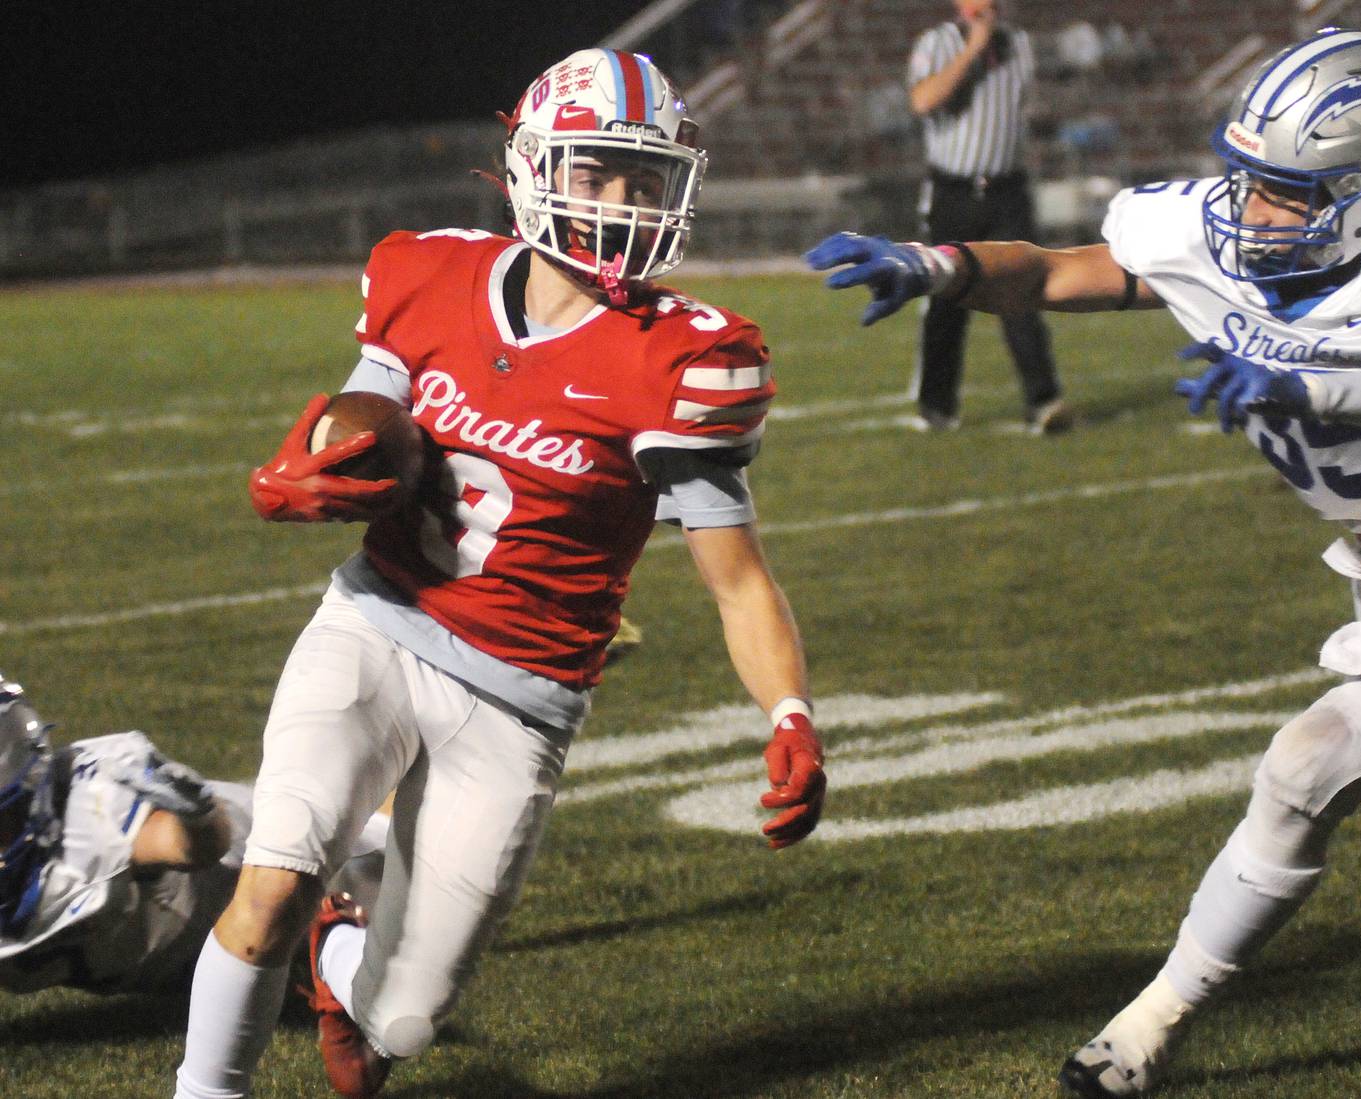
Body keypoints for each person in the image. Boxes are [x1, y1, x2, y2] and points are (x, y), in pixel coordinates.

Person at [173, 47, 826, 1099]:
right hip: (377, 625)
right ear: (532, 167)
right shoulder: (427, 275)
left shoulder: (683, 360)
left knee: (406, 1019)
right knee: (270, 883)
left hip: (521, 698)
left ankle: (342, 963)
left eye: (645, 180)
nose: (622, 202)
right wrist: (304, 478)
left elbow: (739, 580)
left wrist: (790, 711)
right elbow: (360, 433)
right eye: (597, 172)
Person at [808, 27, 1361, 1097]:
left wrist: (1312, 389)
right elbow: (1063, 270)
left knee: (1300, 769)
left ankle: (1143, 1030)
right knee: (1305, 777)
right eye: (1249, 182)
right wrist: (941, 265)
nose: (1250, 211)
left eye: (1287, 192)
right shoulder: (1220, 230)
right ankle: (1148, 1029)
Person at [0, 672, 386, 997]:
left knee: (416, 876)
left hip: (287, 870)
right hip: (201, 957)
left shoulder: (93, 809)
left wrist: (198, 814)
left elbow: (198, 846)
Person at [904, 0, 1072, 434]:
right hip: (954, 191)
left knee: (1023, 292)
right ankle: (937, 406)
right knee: (946, 297)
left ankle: (1044, 400)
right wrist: (972, 51)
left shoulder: (1019, 43)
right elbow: (923, 100)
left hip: (1007, 190)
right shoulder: (936, 42)